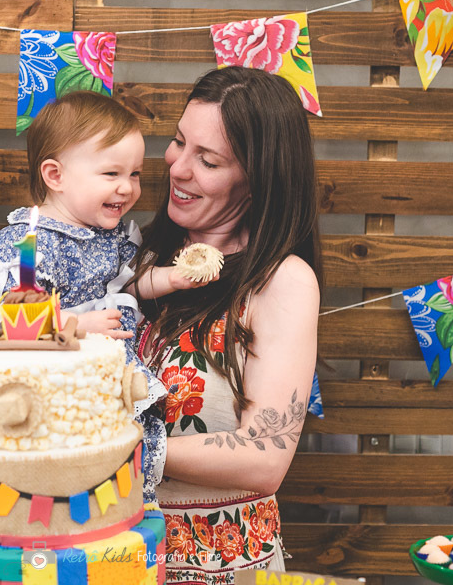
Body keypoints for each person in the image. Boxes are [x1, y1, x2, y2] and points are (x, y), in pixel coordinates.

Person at [131, 66, 322, 583]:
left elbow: (265, 457)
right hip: (118, 556)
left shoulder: (281, 282)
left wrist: (127, 447)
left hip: (219, 567)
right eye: (178, 142)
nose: (177, 167)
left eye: (208, 160)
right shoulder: (144, 258)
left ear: (258, 180)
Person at [0, 90, 205, 502]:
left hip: (107, 376)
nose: (127, 188)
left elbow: (128, 285)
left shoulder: (108, 235)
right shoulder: (29, 243)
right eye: (111, 173)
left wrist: (172, 278)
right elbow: (9, 324)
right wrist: (78, 325)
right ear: (55, 176)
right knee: (71, 474)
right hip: (58, 379)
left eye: (135, 174)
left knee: (117, 470)